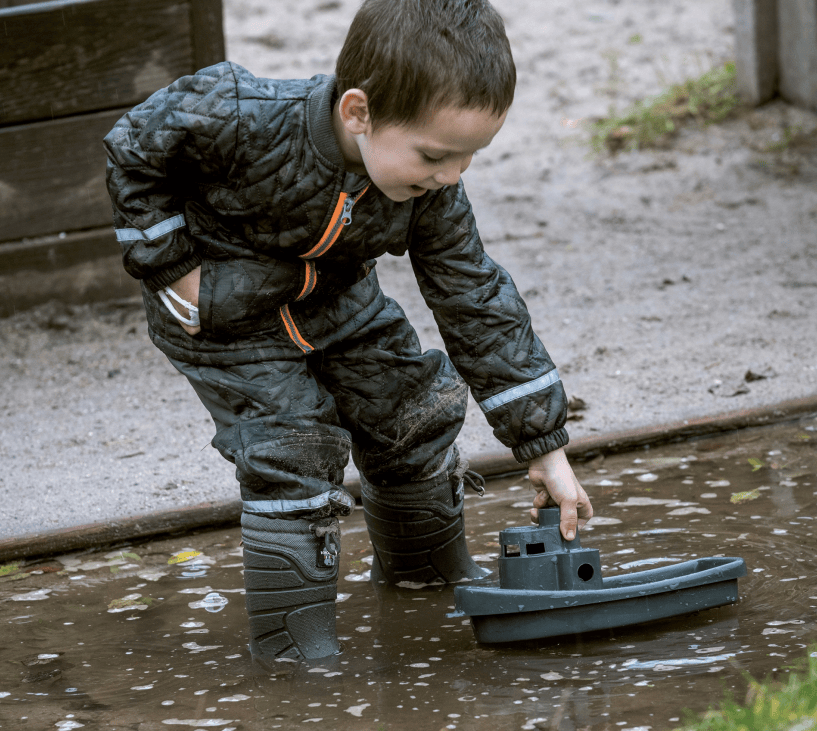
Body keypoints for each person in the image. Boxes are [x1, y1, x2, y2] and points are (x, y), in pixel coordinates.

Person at [103, 0, 593, 661]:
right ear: (358, 113)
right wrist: (173, 269)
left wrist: (544, 447)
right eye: (434, 155)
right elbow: (135, 146)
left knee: (409, 407)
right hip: (224, 316)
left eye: (469, 158)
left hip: (338, 302)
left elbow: (473, 298)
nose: (450, 177)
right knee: (291, 442)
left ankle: (423, 581)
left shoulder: (431, 190)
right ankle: (295, 649)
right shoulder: (242, 113)